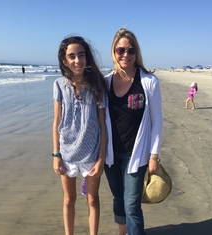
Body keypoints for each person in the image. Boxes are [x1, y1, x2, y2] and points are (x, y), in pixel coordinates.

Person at [104, 28, 163, 235]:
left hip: (135, 154)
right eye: (121, 50)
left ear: (136, 52)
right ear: (114, 51)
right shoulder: (106, 82)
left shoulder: (148, 81)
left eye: (130, 50)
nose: (125, 55)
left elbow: (157, 120)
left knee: (131, 203)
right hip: (111, 154)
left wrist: (154, 154)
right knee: (118, 198)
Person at [52, 35, 107, 235]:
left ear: (87, 57)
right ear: (64, 60)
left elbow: (102, 125)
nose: (77, 61)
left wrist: (101, 158)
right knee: (69, 199)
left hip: (91, 155)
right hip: (66, 154)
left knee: (92, 199)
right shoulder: (59, 85)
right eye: (72, 56)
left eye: (81, 55)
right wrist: (56, 155)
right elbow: (56, 122)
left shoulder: (98, 85)